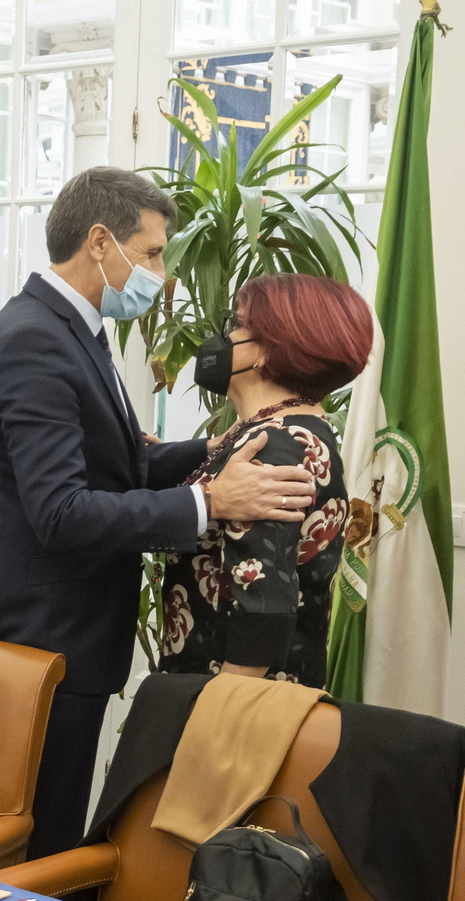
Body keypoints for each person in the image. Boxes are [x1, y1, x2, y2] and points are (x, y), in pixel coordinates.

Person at [0, 166, 320, 859]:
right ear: (101, 242)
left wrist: (204, 452)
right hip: (40, 635)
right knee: (33, 842)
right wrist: (206, 503)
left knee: (49, 829)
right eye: (152, 253)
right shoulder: (37, 341)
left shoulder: (69, 328)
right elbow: (61, 512)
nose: (160, 272)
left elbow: (108, 463)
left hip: (61, 627)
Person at [159, 275, 371, 687]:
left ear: (268, 349)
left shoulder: (275, 448)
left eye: (235, 325)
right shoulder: (273, 430)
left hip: (232, 703)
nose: (224, 338)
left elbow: (262, 612)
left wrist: (213, 727)